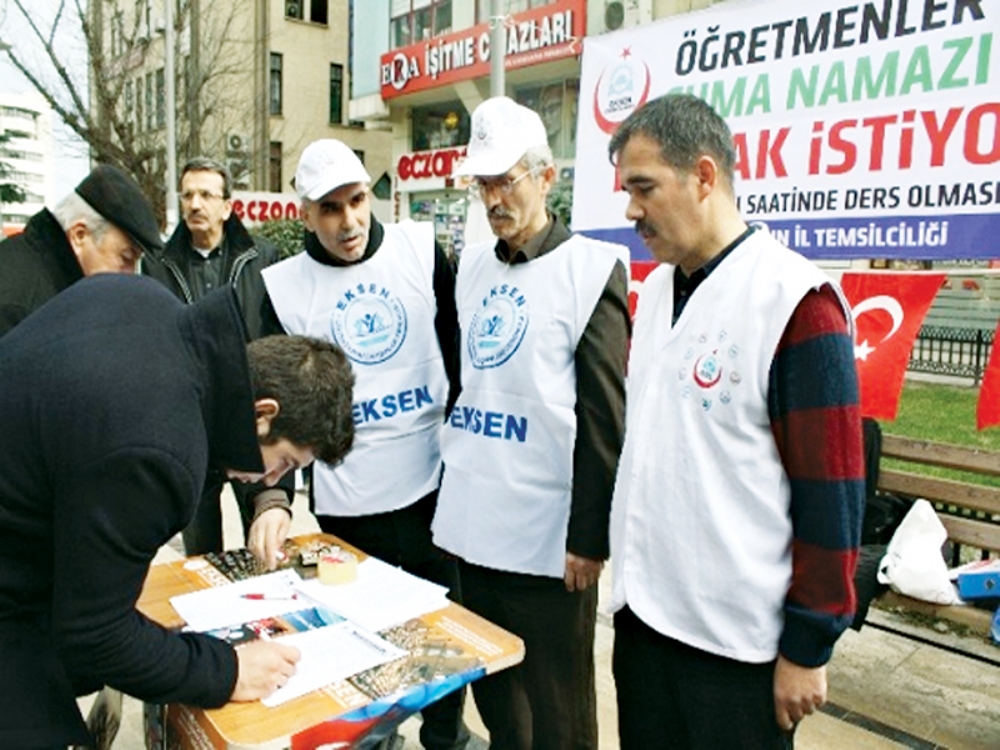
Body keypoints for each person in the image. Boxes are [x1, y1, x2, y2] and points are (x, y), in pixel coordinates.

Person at [606, 93, 864, 748]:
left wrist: (809, 645)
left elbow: (831, 496)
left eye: (644, 188)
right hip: (646, 627)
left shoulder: (793, 302)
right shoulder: (659, 288)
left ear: (702, 175)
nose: (631, 210)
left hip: (735, 654)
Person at [0, 274, 355, 748]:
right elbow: (95, 633)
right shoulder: (159, 454)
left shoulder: (146, 302)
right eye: (284, 463)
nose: (271, 481)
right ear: (262, 413)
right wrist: (229, 671)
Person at [431, 96, 631, 750]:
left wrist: (589, 537)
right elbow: (469, 386)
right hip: (472, 526)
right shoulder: (473, 267)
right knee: (496, 693)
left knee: (560, 709)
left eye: (506, 180)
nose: (493, 198)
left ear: (546, 178)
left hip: (548, 542)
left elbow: (605, 419)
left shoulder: (592, 270)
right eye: (482, 183)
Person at [260, 139, 468, 750]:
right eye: (329, 208)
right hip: (349, 505)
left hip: (432, 487)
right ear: (305, 214)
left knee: (438, 634)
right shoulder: (284, 288)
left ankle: (444, 736)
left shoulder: (420, 251)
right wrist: (273, 499)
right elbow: (276, 412)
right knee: (360, 638)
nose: (348, 221)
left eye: (356, 201)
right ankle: (376, 739)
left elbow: (458, 359)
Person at [143, 157, 287, 557]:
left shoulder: (263, 258)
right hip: (190, 424)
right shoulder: (157, 263)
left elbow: (276, 338)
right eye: (188, 194)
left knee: (262, 537)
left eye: (206, 194)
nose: (195, 204)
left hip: (249, 418)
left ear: (227, 206)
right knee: (201, 551)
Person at [0, 164, 161, 337]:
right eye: (126, 258)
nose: (129, 275)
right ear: (79, 235)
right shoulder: (19, 306)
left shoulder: (61, 289)